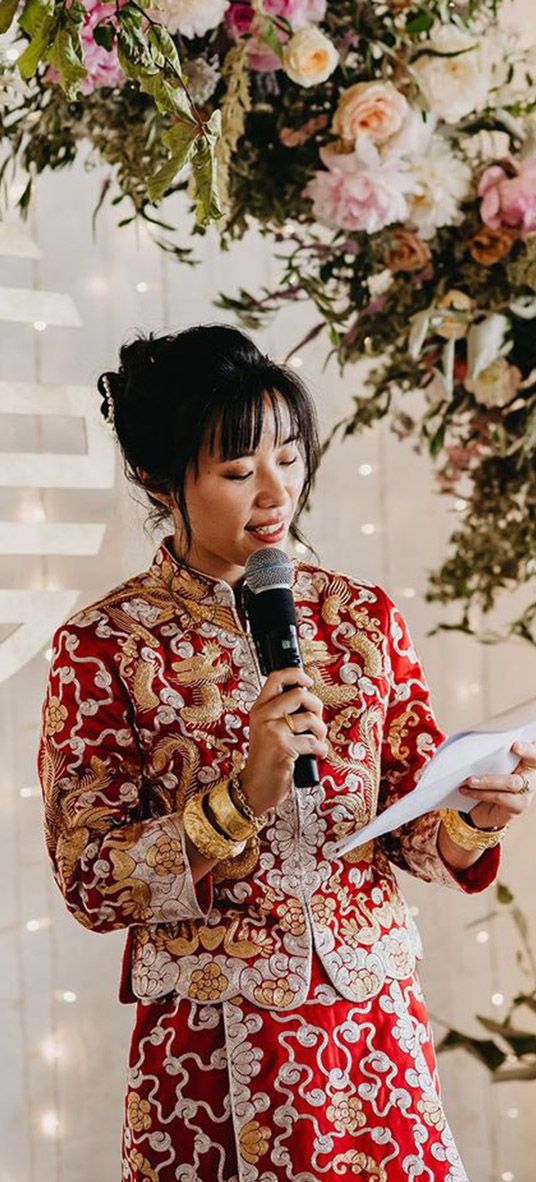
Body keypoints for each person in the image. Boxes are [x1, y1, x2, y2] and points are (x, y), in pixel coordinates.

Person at [37, 324, 535, 1182]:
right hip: (212, 1049)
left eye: (291, 458)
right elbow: (90, 878)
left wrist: (472, 821)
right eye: (238, 472)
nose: (276, 493)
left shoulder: (362, 617)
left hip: (372, 1036)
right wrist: (238, 798)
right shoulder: (105, 644)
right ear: (162, 479)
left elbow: (407, 821)